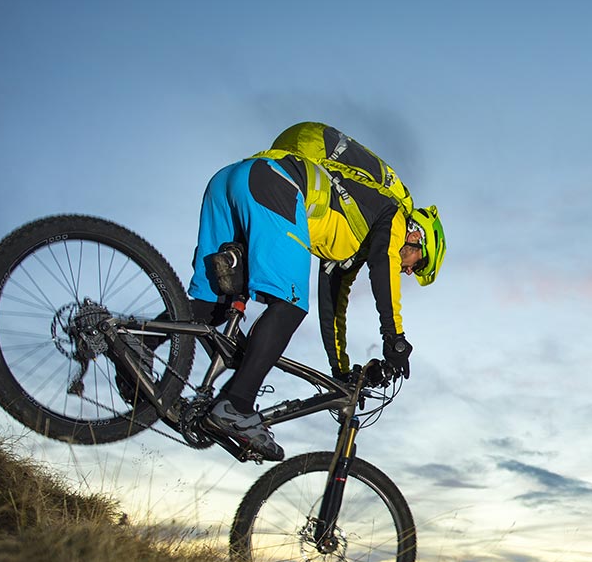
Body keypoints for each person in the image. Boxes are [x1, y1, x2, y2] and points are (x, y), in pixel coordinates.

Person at [184, 121, 446, 460]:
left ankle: (139, 351)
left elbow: (331, 310)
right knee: (289, 305)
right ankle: (236, 405)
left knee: (211, 308)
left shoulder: (350, 239)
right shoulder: (394, 214)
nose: (408, 270)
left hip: (232, 181)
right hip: (276, 186)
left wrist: (340, 371)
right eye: (416, 263)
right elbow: (383, 267)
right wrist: (394, 337)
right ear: (417, 236)